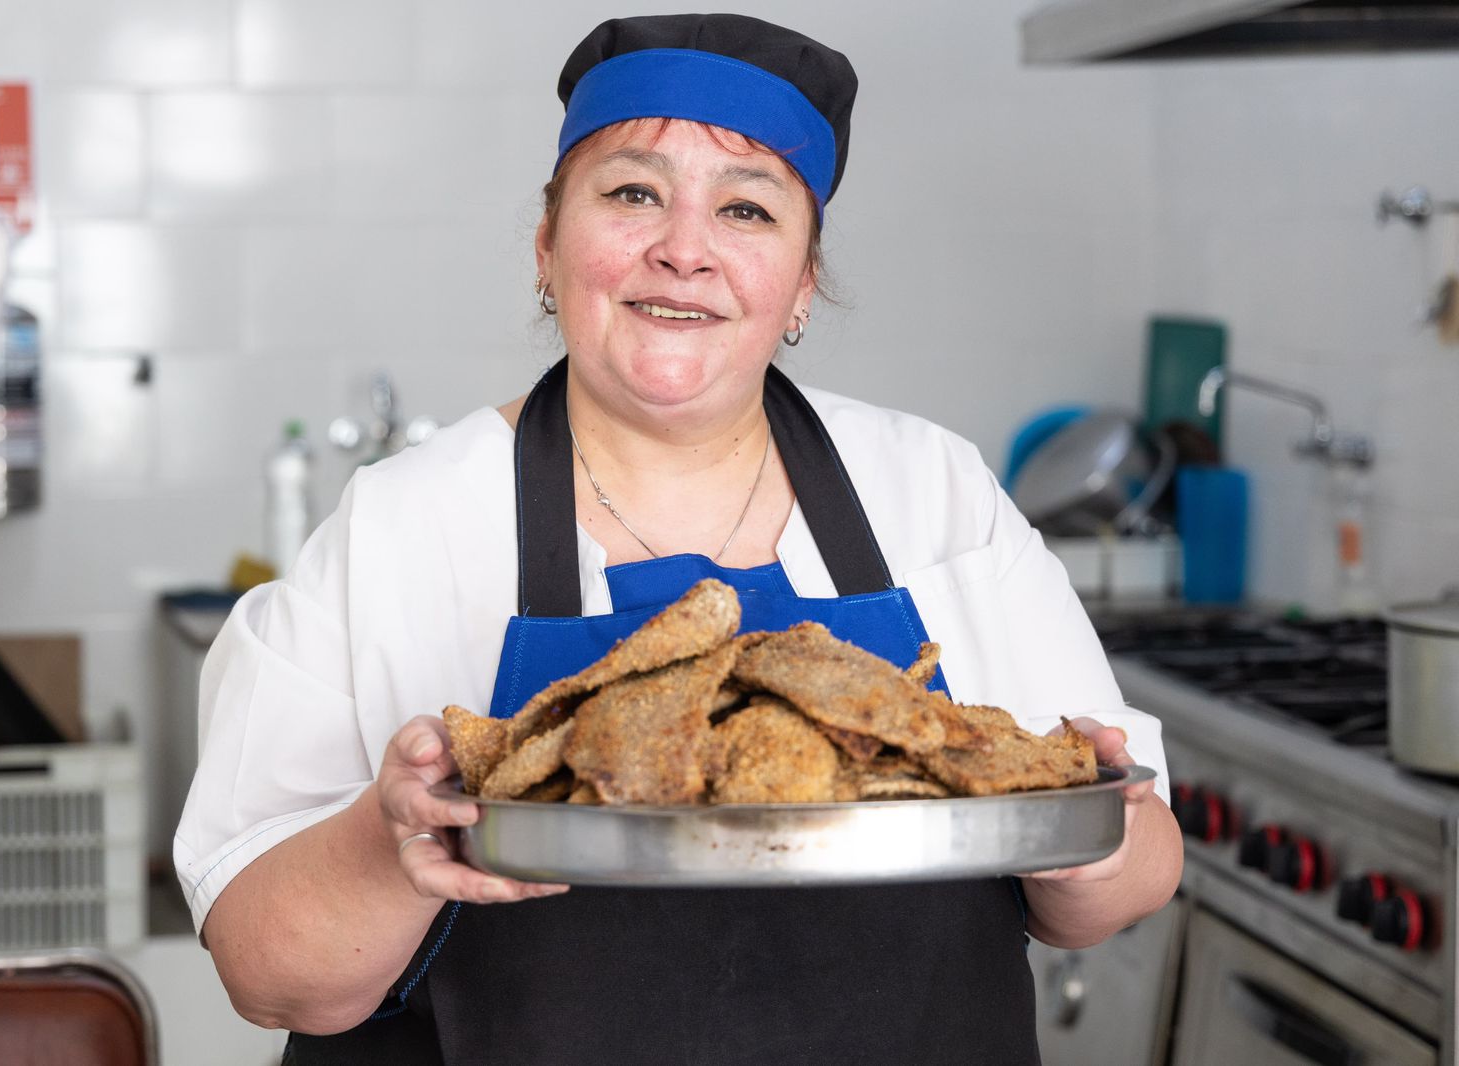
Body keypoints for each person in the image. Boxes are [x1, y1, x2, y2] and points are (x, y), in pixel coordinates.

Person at [176, 14, 1182, 1064]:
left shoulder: (932, 492)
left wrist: (1068, 825)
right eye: (631, 193)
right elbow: (266, 970)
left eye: (745, 208)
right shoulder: (399, 527)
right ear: (546, 245)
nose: (684, 251)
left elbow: (1130, 877)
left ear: (800, 284)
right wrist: (394, 842)